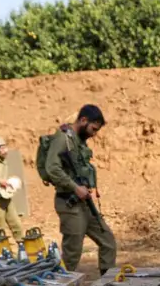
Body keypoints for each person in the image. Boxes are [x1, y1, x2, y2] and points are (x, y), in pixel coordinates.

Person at [43, 105, 118, 274]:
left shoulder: (77, 140)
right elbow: (52, 168)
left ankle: (107, 283)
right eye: (93, 129)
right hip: (69, 203)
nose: (94, 134)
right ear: (83, 120)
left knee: (108, 241)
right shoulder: (63, 138)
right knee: (72, 253)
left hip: (84, 203)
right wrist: (75, 187)